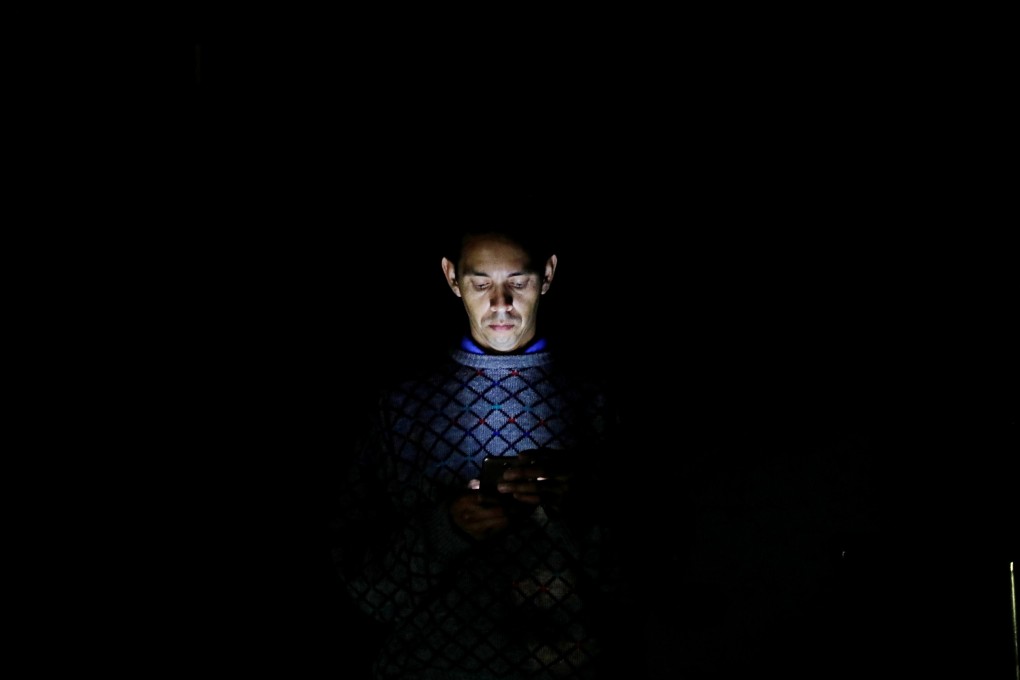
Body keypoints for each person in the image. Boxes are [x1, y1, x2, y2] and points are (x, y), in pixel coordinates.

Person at [329, 222, 640, 679]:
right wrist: (446, 528)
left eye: (518, 282)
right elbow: (363, 588)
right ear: (451, 277)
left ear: (548, 274)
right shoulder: (400, 409)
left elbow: (651, 579)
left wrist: (576, 515)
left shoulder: (597, 403)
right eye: (481, 283)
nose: (501, 304)